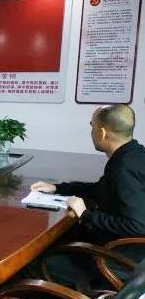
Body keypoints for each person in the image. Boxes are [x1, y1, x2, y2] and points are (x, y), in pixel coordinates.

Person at [29, 104, 145, 288]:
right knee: (63, 239)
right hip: (126, 252)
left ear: (102, 132)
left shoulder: (123, 168)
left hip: (120, 259)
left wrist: (86, 214)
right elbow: (101, 189)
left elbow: (137, 226)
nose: (91, 131)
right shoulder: (134, 154)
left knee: (34, 262)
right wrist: (58, 188)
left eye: (92, 126)